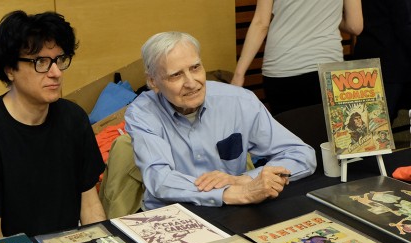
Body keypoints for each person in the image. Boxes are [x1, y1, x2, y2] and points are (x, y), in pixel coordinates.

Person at [0, 10, 106, 243]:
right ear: (10, 69)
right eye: (41, 62)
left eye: (59, 60)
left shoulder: (74, 119)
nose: (55, 73)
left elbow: (90, 206)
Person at [124, 31, 317, 211]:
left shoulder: (240, 101)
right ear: (153, 82)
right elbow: (160, 179)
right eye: (176, 75)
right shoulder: (142, 113)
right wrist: (231, 193)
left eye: (195, 68)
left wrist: (242, 180)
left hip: (231, 213)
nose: (191, 83)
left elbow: (301, 155)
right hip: (171, 216)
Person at [231, 0, 363, 115]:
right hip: (328, 68)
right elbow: (355, 26)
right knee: (326, 139)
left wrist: (239, 74)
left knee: (289, 138)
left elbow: (261, 23)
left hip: (281, 69)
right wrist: (327, 17)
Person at [352, 0, 411, 123]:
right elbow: (404, 25)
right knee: (378, 124)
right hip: (393, 63)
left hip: (369, 58)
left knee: (374, 124)